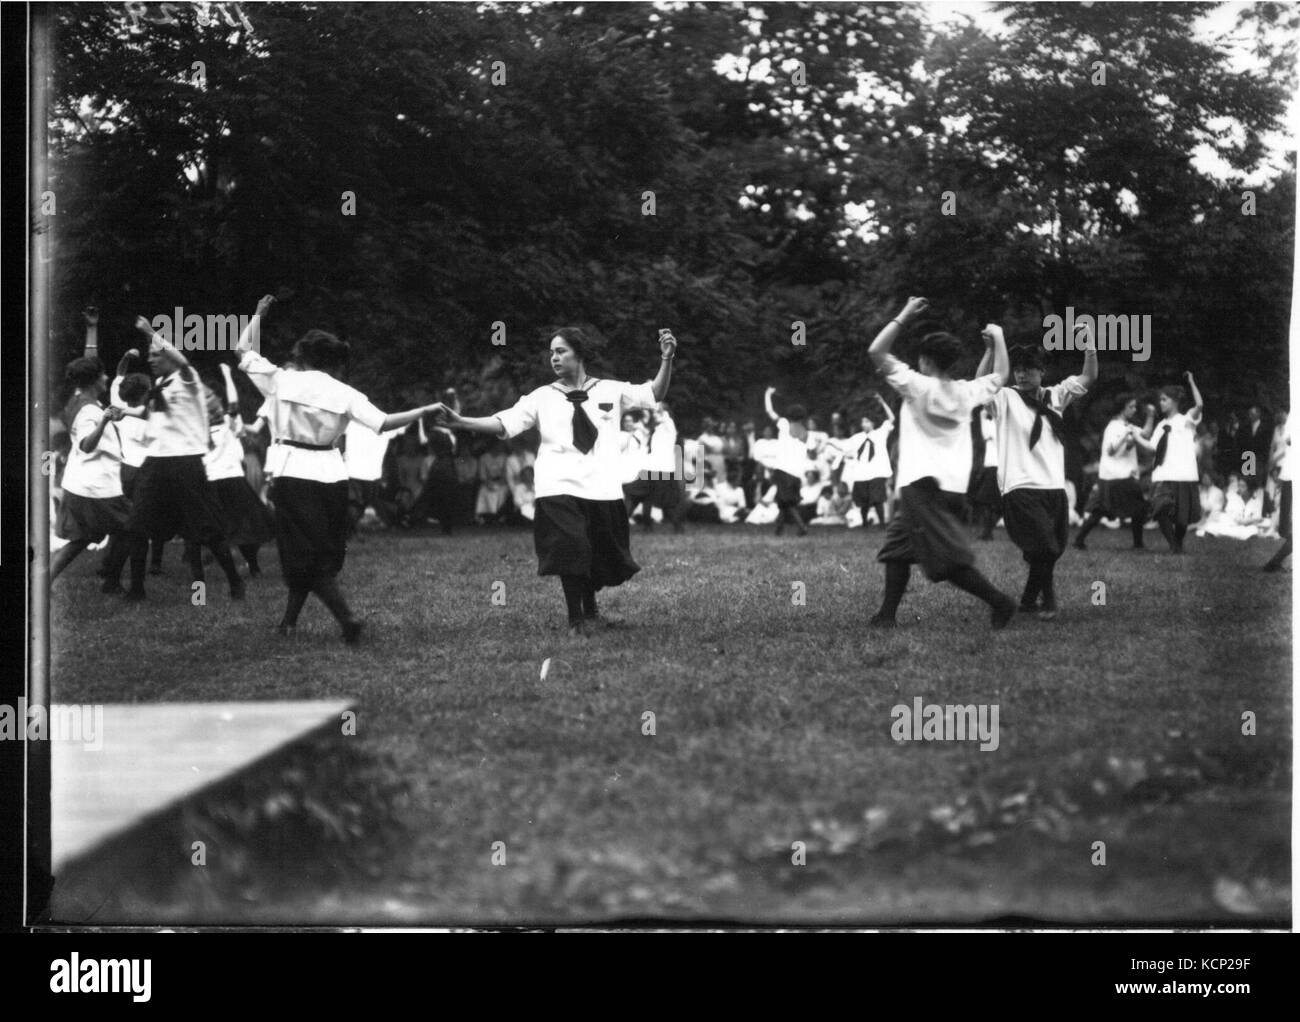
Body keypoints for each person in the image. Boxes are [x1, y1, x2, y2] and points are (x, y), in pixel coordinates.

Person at [433, 326, 676, 636]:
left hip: (601, 487)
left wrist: (666, 359)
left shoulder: (609, 390)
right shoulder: (541, 397)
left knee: (595, 552)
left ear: (580, 353)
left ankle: (592, 614)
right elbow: (503, 422)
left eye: (561, 351)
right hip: (556, 485)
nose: (554, 358)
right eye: (551, 353)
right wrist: (461, 421)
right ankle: (576, 620)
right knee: (570, 548)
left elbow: (654, 393)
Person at [235, 295, 444, 641]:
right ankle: (288, 622)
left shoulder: (282, 380)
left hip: (293, 472)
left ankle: (347, 620)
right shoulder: (346, 392)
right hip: (332, 475)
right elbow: (384, 422)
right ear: (333, 362)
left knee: (303, 555)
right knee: (320, 552)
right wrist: (423, 411)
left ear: (302, 356)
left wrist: (257, 315)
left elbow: (242, 350)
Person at [867, 297, 1017, 629]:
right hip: (949, 488)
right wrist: (999, 337)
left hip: (921, 487)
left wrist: (904, 313)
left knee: (946, 562)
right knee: (897, 548)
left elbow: (876, 352)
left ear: (926, 360)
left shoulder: (917, 386)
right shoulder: (967, 392)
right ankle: (886, 615)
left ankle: (1000, 602)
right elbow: (1002, 375)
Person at [106, 315, 247, 601]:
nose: (152, 359)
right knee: (137, 525)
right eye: (150, 355)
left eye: (157, 355)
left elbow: (182, 362)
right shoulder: (160, 384)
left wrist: (150, 332)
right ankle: (136, 589)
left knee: (207, 529)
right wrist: (128, 412)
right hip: (155, 463)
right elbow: (153, 413)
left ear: (171, 356)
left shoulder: (188, 379)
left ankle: (235, 582)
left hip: (186, 463)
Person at [50, 354, 133, 584]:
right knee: (132, 527)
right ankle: (111, 580)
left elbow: (90, 356)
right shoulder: (89, 411)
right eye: (103, 375)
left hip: (82, 483)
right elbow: (86, 445)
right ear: (94, 381)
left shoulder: (78, 399)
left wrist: (92, 327)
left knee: (82, 538)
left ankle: (43, 580)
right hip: (97, 486)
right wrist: (105, 421)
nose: (106, 378)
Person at [1131, 374, 1204, 554]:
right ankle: (1173, 545)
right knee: (1160, 509)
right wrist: (1137, 437)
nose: (1161, 403)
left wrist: (1192, 381)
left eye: (1164, 399)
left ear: (1174, 401)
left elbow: (1200, 405)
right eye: (1160, 400)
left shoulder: (1186, 420)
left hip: (1184, 474)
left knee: (1182, 515)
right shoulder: (1161, 424)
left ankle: (1177, 545)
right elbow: (1152, 447)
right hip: (1164, 473)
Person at [1073, 393, 1151, 551]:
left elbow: (1146, 434)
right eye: (1131, 406)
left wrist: (1150, 416)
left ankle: (1079, 540)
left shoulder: (1127, 426)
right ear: (1122, 409)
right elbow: (1110, 451)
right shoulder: (1114, 427)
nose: (1134, 410)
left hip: (1114, 476)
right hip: (1117, 476)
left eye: (1135, 406)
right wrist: (1125, 437)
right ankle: (1138, 544)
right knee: (1139, 509)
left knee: (1101, 509)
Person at [843, 395, 895, 530]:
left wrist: (883, 402)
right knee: (863, 500)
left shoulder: (880, 433)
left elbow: (891, 419)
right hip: (862, 473)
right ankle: (865, 522)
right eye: (863, 422)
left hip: (876, 472)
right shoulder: (857, 438)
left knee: (877, 499)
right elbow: (844, 446)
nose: (864, 424)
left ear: (873, 423)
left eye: (867, 421)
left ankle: (882, 523)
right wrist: (830, 443)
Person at [1263, 412, 1290, 571]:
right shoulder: (1276, 429)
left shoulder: (1290, 429)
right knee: (1272, 493)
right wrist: (1270, 462)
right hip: (1276, 462)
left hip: (1286, 461)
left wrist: (1275, 460)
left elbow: (1287, 448)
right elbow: (1272, 447)